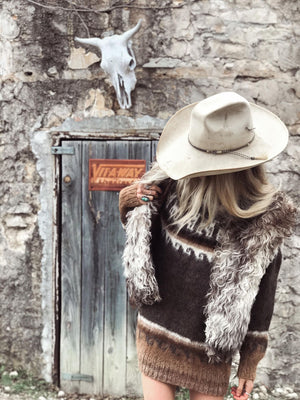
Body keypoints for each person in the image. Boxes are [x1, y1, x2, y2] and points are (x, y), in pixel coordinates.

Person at [119, 92, 296, 400]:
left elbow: (262, 298)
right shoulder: (168, 189)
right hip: (158, 331)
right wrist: (129, 201)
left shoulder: (262, 226)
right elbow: (139, 238)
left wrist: (249, 366)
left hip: (212, 349)